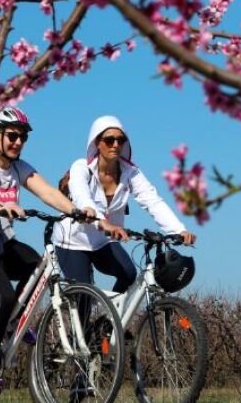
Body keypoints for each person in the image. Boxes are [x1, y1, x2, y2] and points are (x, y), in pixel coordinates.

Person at [0, 106, 96, 396]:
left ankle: (13, 320)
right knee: (2, 295)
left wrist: (77, 211)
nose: (18, 142)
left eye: (23, 138)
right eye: (13, 136)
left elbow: (47, 192)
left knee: (37, 267)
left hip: (0, 244)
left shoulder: (18, 167)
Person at [54, 115, 196, 295]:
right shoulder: (82, 167)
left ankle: (108, 321)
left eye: (120, 140)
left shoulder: (130, 172)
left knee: (128, 274)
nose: (115, 145)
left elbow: (152, 201)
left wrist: (178, 230)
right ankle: (83, 320)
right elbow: (81, 194)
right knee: (83, 297)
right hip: (73, 241)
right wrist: (99, 220)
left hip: (104, 241)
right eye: (109, 140)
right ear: (97, 142)